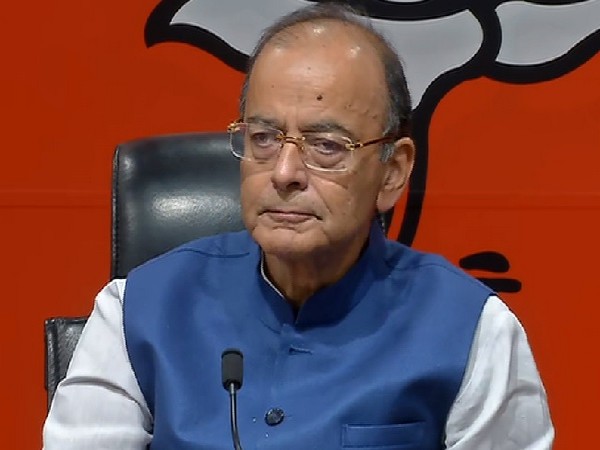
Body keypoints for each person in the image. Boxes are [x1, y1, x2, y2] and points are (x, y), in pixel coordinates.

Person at [43, 3, 554, 449]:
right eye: (264, 138)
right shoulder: (133, 312)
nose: (285, 173)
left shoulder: (473, 331)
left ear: (393, 172)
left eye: (326, 146)